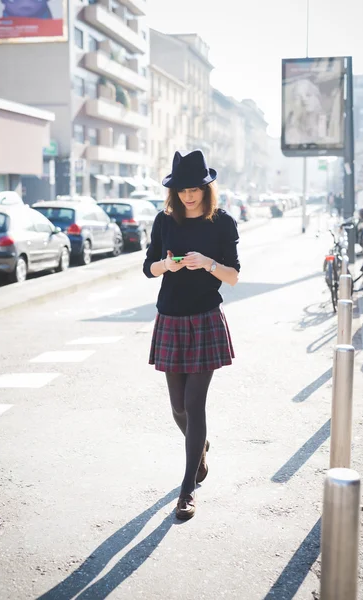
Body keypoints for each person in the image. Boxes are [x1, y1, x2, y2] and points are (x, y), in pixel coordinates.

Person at [143, 149, 240, 521]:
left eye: (195, 188)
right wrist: (165, 265)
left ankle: (187, 490)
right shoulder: (164, 221)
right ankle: (199, 449)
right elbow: (147, 268)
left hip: (204, 320)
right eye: (181, 189)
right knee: (178, 407)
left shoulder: (222, 222)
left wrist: (209, 263)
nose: (188, 195)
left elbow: (233, 276)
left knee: (195, 405)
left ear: (206, 187)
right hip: (170, 317)